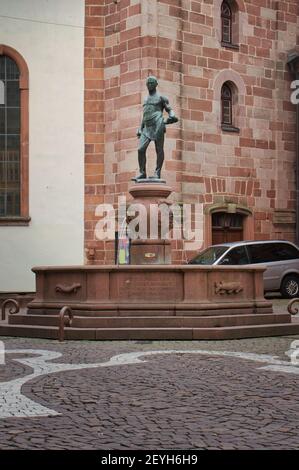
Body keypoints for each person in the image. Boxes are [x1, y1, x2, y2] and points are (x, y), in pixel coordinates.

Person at [134, 76, 178, 181]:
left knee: (159, 149)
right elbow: (145, 115)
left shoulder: (161, 97)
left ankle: (157, 172)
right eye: (148, 83)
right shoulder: (145, 99)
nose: (149, 85)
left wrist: (172, 115)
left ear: (156, 84)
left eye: (151, 83)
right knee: (140, 149)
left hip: (158, 124)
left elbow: (169, 109)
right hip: (147, 127)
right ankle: (142, 173)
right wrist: (140, 129)